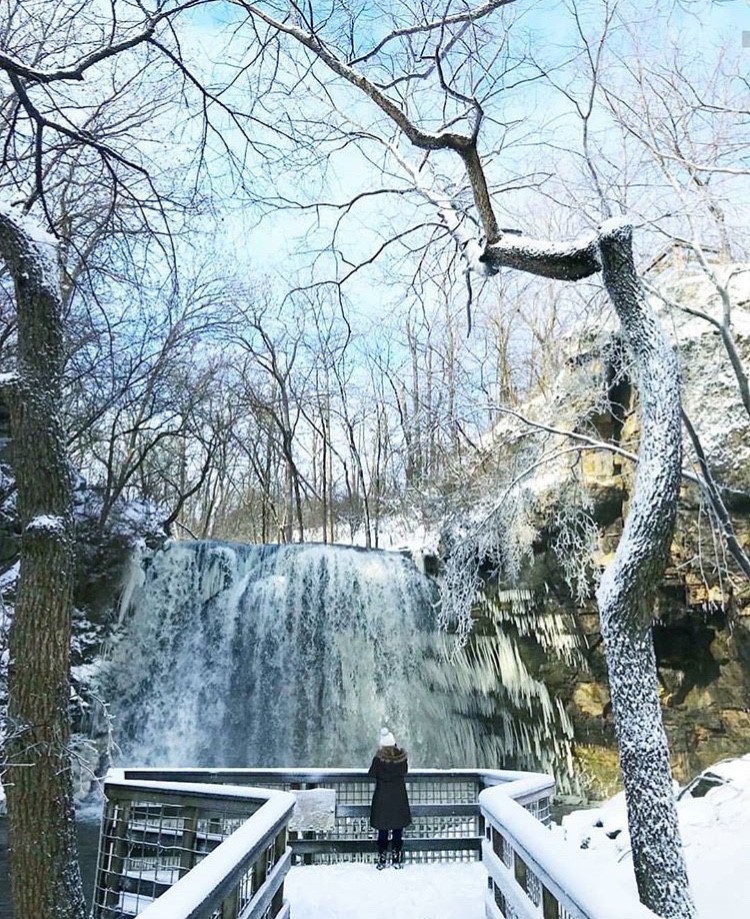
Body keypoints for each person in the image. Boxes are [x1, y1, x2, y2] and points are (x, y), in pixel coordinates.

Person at [368, 727, 411, 869]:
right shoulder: (401, 760)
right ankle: (396, 858)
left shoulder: (378, 760)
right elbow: (404, 771)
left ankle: (382, 859)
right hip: (398, 799)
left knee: (383, 831)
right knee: (398, 830)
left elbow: (371, 774)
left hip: (382, 799)